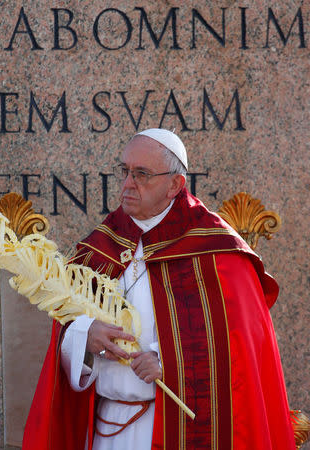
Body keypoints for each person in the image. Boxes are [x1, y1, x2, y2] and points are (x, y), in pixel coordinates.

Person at [23, 129, 296, 450]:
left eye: (142, 174)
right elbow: (64, 330)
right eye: (124, 171)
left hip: (174, 429)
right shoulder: (99, 248)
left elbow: (241, 350)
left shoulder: (217, 252)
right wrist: (86, 336)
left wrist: (167, 361)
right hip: (105, 428)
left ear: (175, 185)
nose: (127, 184)